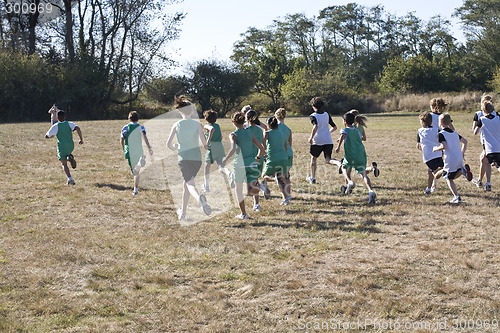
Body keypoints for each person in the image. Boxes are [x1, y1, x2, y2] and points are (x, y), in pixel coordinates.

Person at [167, 95, 211, 220]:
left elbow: (168, 144)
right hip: (197, 159)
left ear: (180, 111)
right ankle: (183, 212)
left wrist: (175, 147)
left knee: (190, 184)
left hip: (184, 158)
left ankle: (199, 200)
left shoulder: (176, 125)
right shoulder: (198, 125)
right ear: (191, 111)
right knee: (187, 183)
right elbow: (205, 145)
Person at [222, 112, 266, 220]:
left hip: (239, 165)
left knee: (239, 190)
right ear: (243, 121)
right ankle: (257, 201)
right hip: (251, 163)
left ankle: (243, 214)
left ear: (233, 122)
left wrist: (226, 159)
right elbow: (262, 149)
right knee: (253, 186)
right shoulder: (250, 133)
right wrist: (258, 158)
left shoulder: (233, 134)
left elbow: (232, 149)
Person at [335, 112, 376, 204]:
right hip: (361, 154)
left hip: (351, 154)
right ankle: (370, 191)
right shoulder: (357, 131)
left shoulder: (344, 130)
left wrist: (338, 146)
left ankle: (349, 182)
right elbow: (358, 139)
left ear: (345, 122)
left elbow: (343, 136)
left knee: (344, 167)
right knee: (363, 174)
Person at [433, 113, 473, 204]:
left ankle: (456, 197)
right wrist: (462, 153)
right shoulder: (455, 133)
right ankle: (463, 171)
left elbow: (444, 146)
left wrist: (435, 149)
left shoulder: (441, 134)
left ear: (440, 123)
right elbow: (465, 142)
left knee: (449, 178)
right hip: (458, 157)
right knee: (451, 173)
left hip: (450, 158)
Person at [338, 109, 380, 185]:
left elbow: (346, 134)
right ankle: (372, 168)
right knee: (362, 171)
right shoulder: (360, 126)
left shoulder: (351, 127)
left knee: (347, 170)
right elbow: (364, 138)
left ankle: (348, 185)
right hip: (359, 150)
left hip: (351, 150)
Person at [306, 96, 341, 184]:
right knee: (328, 159)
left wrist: (311, 138)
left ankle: (313, 178)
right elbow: (335, 127)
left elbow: (315, 126)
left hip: (317, 141)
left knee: (313, 158)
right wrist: (328, 132)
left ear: (313, 106)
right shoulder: (326, 114)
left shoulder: (313, 116)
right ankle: (338, 163)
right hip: (328, 140)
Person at [45, 110, 84, 185]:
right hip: (70, 146)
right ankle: (69, 157)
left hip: (62, 146)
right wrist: (81, 139)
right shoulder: (69, 124)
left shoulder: (56, 126)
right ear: (65, 117)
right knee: (67, 155)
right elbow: (78, 128)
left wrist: (52, 135)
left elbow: (47, 136)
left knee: (64, 164)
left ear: (57, 118)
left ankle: (70, 179)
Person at [120, 111, 153, 196]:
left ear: (129, 119)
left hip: (129, 151)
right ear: (138, 119)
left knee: (135, 172)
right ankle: (136, 189)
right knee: (137, 171)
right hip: (138, 150)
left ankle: (135, 190)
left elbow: (122, 139)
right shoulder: (141, 127)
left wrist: (123, 148)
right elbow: (145, 138)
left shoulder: (125, 127)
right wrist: (149, 147)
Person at [202, 109, 233, 193]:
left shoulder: (207, 126)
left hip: (212, 146)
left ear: (206, 119)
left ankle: (206, 185)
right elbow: (221, 137)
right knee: (221, 166)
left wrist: (207, 142)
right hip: (219, 146)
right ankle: (229, 174)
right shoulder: (218, 126)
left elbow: (211, 130)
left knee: (207, 166)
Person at [262, 116, 290, 205]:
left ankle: (274, 179)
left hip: (272, 159)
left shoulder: (268, 133)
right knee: (281, 178)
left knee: (264, 175)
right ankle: (285, 199)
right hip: (283, 158)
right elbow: (286, 146)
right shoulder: (281, 133)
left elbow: (263, 145)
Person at [473, 101, 500, 187]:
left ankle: (488, 183)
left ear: (483, 110)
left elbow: (475, 132)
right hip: (499, 146)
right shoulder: (498, 118)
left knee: (487, 163)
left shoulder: (482, 119)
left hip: (490, 148)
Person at [471, 95, 495, 191]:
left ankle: (483, 181)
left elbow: (474, 129)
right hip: (491, 140)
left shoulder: (479, 114)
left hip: (487, 141)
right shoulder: (495, 114)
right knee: (484, 160)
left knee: (485, 160)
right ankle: (481, 180)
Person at [417, 111, 443, 194]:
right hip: (438, 154)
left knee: (435, 172)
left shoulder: (420, 131)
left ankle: (455, 171)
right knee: (432, 171)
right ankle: (429, 188)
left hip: (428, 157)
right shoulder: (437, 130)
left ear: (423, 122)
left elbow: (418, 146)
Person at [245, 109, 265, 212]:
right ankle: (256, 204)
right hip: (259, 157)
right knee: (255, 180)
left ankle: (256, 203)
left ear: (247, 119)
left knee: (250, 184)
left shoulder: (246, 131)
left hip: (250, 159)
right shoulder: (259, 130)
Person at [275, 108, 293, 202]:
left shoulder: (275, 128)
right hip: (288, 153)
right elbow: (290, 144)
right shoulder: (288, 129)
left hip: (280, 154)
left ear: (276, 116)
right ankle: (288, 194)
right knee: (286, 175)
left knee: (279, 177)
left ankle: (284, 197)